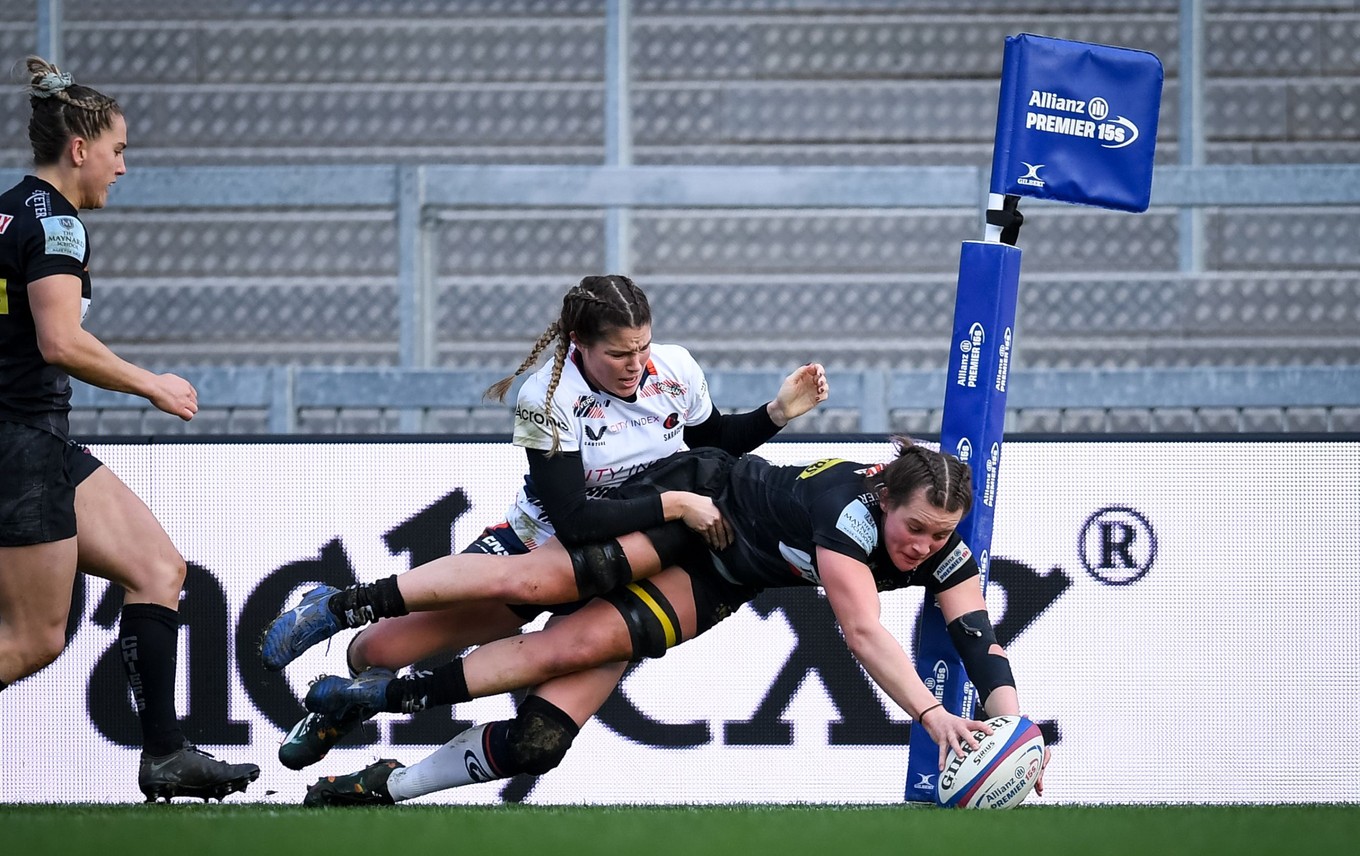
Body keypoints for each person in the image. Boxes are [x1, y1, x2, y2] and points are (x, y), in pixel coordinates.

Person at [260, 273, 829, 768]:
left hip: (632, 562)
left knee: (543, 735)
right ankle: (340, 657)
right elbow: (576, 521)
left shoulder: (674, 367)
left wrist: (776, 413)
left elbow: (710, 448)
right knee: (380, 651)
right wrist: (676, 505)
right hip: (540, 551)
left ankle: (384, 764)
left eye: (643, 349)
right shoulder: (546, 397)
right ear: (579, 343)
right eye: (619, 355)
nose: (636, 367)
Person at [296, 439, 1045, 805]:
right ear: (885, 497)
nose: (924, 548)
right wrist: (931, 714)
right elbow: (863, 631)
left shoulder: (940, 542)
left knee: (547, 721)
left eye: (941, 536)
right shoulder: (848, 518)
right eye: (915, 528)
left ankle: (378, 732)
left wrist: (1015, 733)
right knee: (534, 584)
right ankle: (342, 609)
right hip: (697, 505)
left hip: (726, 570)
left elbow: (976, 637)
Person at [0, 57, 259, 802]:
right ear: (78, 148)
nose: (123, 166)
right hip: (23, 439)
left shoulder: (11, 208)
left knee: (157, 570)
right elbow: (60, 342)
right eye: (118, 149)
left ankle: (166, 754)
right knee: (34, 639)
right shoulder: (57, 227)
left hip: (32, 439)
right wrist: (153, 384)